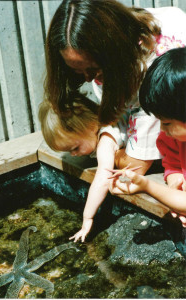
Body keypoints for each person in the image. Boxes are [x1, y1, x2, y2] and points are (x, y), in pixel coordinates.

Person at [44, 0, 186, 177]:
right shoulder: (110, 61)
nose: (88, 79)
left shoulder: (154, 72)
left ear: (113, 51)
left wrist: (106, 150)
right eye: (78, 71)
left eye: (93, 69)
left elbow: (136, 164)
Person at [39, 92, 139, 242]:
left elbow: (103, 179)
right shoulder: (101, 123)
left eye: (75, 148)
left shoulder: (105, 142)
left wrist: (87, 218)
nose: (73, 155)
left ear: (92, 126)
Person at [109, 47, 186, 227]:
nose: (161, 129)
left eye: (166, 122)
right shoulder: (172, 138)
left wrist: (147, 186)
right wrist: (173, 175)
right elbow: (172, 161)